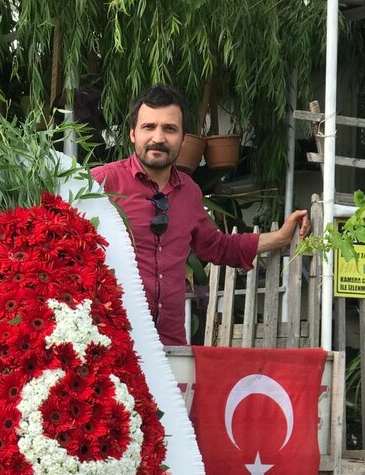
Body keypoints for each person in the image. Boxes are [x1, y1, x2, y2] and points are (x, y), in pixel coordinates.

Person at [90, 84, 310, 346]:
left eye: (169, 129)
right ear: (132, 134)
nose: (158, 138)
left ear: (183, 139)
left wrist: (280, 237)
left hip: (168, 345)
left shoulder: (189, 192)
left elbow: (217, 246)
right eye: (149, 127)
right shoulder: (101, 185)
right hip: (111, 342)